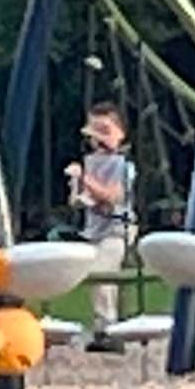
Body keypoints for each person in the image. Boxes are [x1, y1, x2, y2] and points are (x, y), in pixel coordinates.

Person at [65, 96, 138, 349]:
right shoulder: (90, 162)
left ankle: (107, 329)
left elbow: (113, 196)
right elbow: (78, 200)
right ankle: (106, 327)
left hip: (117, 228)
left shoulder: (122, 165)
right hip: (94, 230)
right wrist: (77, 188)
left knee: (102, 272)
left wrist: (85, 179)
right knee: (96, 277)